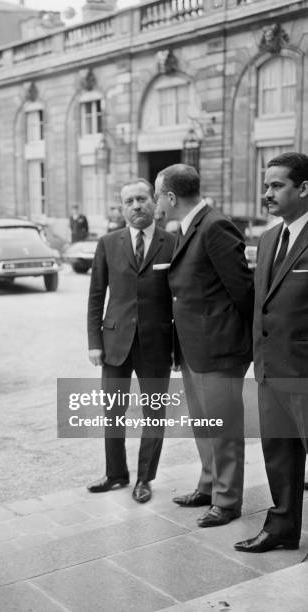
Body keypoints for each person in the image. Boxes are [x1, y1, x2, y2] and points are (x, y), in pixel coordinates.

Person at [154, 164, 253, 527]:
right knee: (204, 423)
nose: (154, 203)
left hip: (220, 348)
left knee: (224, 427)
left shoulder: (215, 226)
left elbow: (243, 289)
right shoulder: (186, 227)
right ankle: (209, 485)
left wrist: (238, 342)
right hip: (193, 347)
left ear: (171, 196)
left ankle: (228, 501)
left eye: (156, 194)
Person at [235, 152, 308, 553]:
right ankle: (281, 527)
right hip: (270, 371)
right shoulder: (266, 239)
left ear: (304, 188)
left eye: (277, 185)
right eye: (266, 186)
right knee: (278, 453)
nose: (267, 193)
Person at [86, 179, 175, 503]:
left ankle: (145, 479)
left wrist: (177, 348)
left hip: (157, 344)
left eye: (141, 199)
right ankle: (116, 474)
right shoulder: (108, 243)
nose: (136, 206)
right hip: (114, 344)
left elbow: (179, 299)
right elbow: (96, 295)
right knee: (113, 412)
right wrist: (94, 341)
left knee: (154, 413)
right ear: (122, 208)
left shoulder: (173, 242)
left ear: (153, 202)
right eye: (129, 202)